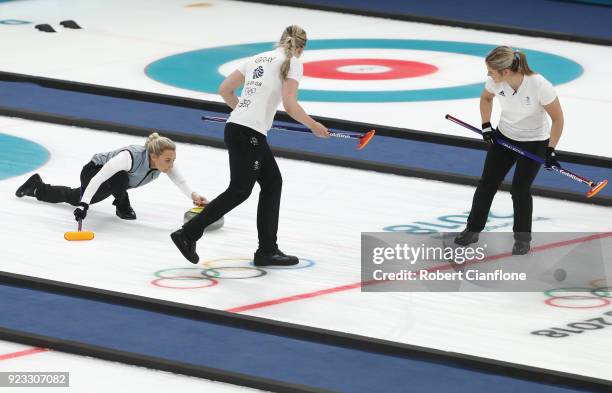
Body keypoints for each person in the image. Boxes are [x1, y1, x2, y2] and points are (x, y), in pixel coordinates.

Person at [171, 25, 329, 266]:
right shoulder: (293, 61)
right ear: (301, 47)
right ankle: (188, 233)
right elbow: (290, 104)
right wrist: (313, 125)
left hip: (238, 128)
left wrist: (244, 112)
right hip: (248, 133)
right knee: (239, 190)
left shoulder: (256, 58)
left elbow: (224, 89)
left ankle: (267, 250)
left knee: (272, 182)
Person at [454, 46, 564, 255]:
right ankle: (473, 229)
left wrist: (550, 150)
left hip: (534, 141)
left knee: (520, 190)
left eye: (491, 72)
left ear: (505, 72)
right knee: (487, 184)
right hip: (504, 136)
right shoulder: (496, 82)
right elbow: (486, 98)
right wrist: (486, 125)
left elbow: (558, 119)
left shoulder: (539, 85)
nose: (488, 75)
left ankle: (523, 238)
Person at [15, 133, 207, 222]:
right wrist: (84, 205)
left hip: (113, 182)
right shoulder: (129, 157)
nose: (172, 165)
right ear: (154, 156)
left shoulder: (162, 163)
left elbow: (180, 181)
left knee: (74, 197)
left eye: (173, 160)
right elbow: (99, 178)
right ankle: (122, 204)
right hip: (94, 171)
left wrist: (194, 196)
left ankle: (36, 187)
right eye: (168, 160)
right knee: (118, 179)